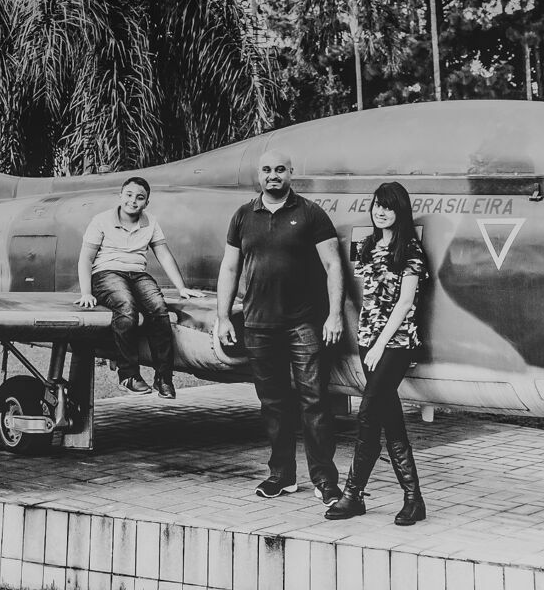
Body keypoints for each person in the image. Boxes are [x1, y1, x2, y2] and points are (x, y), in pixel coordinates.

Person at [215, 149, 345, 503]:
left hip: (303, 323)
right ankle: (282, 476)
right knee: (273, 404)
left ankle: (325, 481)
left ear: (291, 172)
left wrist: (334, 314)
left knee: (315, 402)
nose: (273, 175)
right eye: (267, 170)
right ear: (259, 174)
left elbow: (334, 265)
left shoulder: (310, 214)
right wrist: (223, 316)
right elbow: (230, 268)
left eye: (280, 170)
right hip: (258, 325)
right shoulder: (243, 216)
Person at [327, 180, 429, 525]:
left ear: (400, 210)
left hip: (397, 343)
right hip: (368, 339)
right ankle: (413, 500)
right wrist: (367, 340)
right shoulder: (368, 245)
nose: (381, 212)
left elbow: (404, 303)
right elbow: (369, 296)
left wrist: (382, 343)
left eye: (388, 206)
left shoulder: (411, 250)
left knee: (369, 414)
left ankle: (353, 495)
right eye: (376, 206)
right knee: (390, 417)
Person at [74, 176, 203, 398]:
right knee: (126, 307)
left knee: (159, 310)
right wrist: (86, 292)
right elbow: (86, 258)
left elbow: (163, 254)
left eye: (140, 198)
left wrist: (181, 288)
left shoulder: (150, 222)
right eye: (129, 195)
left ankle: (164, 378)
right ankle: (128, 375)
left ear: (146, 203)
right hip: (106, 273)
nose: (133, 201)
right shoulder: (101, 220)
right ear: (121, 196)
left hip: (137, 274)